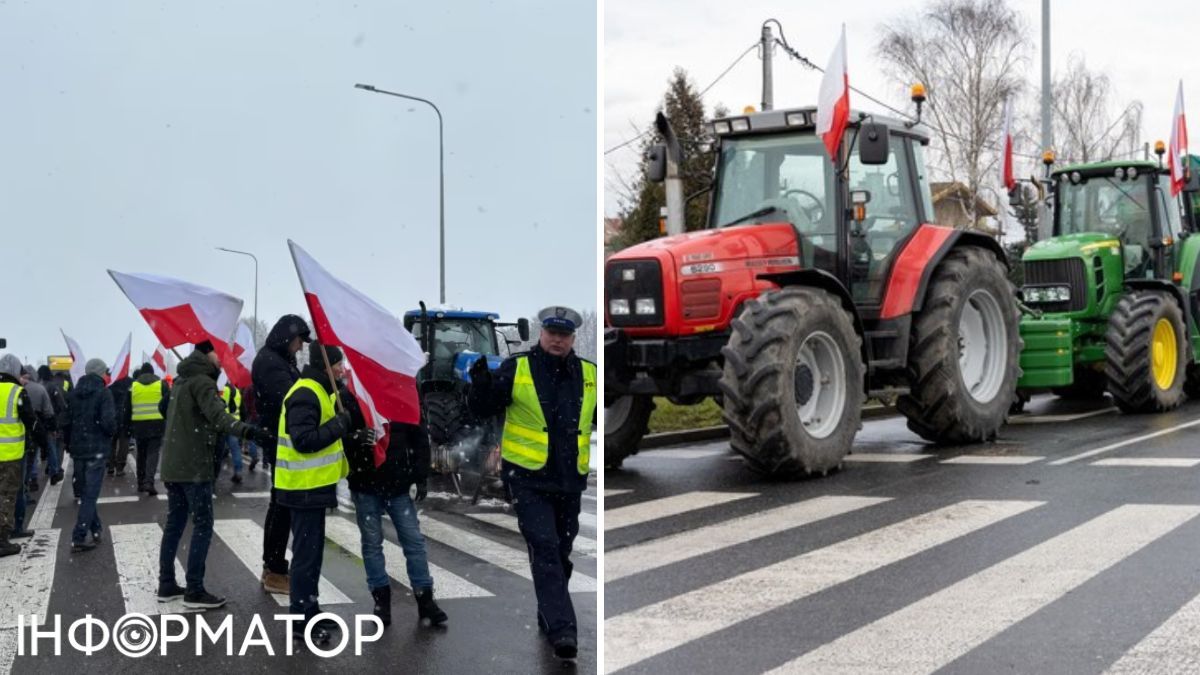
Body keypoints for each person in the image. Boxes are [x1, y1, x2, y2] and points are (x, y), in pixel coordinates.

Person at [468, 306, 596, 660]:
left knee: (562, 551)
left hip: (569, 481)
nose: (557, 340)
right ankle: (563, 630)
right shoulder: (518, 367)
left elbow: (599, 420)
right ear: (541, 334)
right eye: (552, 333)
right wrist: (479, 385)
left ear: (572, 338)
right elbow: (484, 408)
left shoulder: (588, 374)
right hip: (527, 479)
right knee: (544, 547)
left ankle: (549, 609)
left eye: (565, 335)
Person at [156, 341, 270, 609]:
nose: (222, 358)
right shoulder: (202, 382)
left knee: (174, 524)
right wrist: (250, 432)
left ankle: (166, 583)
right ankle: (194, 590)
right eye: (218, 353)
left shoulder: (182, 381)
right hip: (194, 467)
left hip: (174, 465)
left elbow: (164, 409)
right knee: (203, 525)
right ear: (207, 354)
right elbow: (219, 418)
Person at [277, 343, 363, 641]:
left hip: (311, 487)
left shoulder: (318, 390)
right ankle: (300, 619)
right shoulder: (305, 392)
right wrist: (340, 425)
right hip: (303, 487)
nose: (342, 369)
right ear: (325, 364)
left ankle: (310, 610)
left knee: (311, 555)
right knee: (305, 556)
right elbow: (303, 440)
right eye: (338, 363)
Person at [345, 411, 447, 628]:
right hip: (365, 482)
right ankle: (381, 601)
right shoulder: (354, 395)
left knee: (414, 542)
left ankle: (425, 600)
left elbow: (419, 438)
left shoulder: (401, 393)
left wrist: (420, 477)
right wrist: (356, 438)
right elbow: (340, 437)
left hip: (398, 484)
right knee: (373, 544)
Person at [251, 315, 311, 594]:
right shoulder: (270, 363)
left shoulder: (278, 361)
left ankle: (273, 567)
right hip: (280, 441)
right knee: (282, 506)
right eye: (299, 341)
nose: (300, 347)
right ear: (288, 338)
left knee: (281, 504)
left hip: (281, 440)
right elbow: (290, 399)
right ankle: (274, 569)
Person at [62, 358, 117, 553]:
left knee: (86, 491)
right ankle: (78, 536)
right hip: (97, 449)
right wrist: (110, 434)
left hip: (78, 449)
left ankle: (96, 529)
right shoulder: (104, 393)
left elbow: (65, 422)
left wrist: (69, 443)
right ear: (101, 373)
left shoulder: (74, 394)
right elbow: (108, 422)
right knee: (90, 494)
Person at [0, 355, 36, 557]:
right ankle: (2, 540)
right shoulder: (17, 392)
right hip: (10, 456)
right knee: (6, 496)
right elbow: (31, 420)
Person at [129, 363, 169, 496]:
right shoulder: (161, 384)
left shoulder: (133, 386)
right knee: (153, 453)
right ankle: (149, 481)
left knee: (141, 453)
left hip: (139, 425)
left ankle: (140, 482)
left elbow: (127, 407)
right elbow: (168, 403)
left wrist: (128, 426)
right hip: (156, 424)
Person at [18, 366, 54, 494]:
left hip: (16, 431)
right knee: (33, 454)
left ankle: (25, 485)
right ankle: (32, 478)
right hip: (35, 425)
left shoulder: (16, 389)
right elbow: (48, 410)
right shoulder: (39, 388)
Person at [35, 366, 66, 486]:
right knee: (53, 447)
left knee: (39, 449)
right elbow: (61, 404)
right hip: (50, 420)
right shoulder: (52, 386)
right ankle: (54, 471)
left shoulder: (37, 385)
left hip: (37, 421)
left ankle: (34, 477)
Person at [216, 381, 245, 484]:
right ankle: (238, 471)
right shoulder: (237, 391)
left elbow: (220, 405)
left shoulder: (222, 389)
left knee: (218, 449)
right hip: (235, 422)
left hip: (223, 421)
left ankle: (215, 473)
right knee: (235, 448)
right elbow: (240, 407)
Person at [107, 371, 134, 476]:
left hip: (111, 417)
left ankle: (110, 465)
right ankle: (120, 467)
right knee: (124, 444)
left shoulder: (110, 383)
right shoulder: (130, 384)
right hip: (125, 417)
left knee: (111, 443)